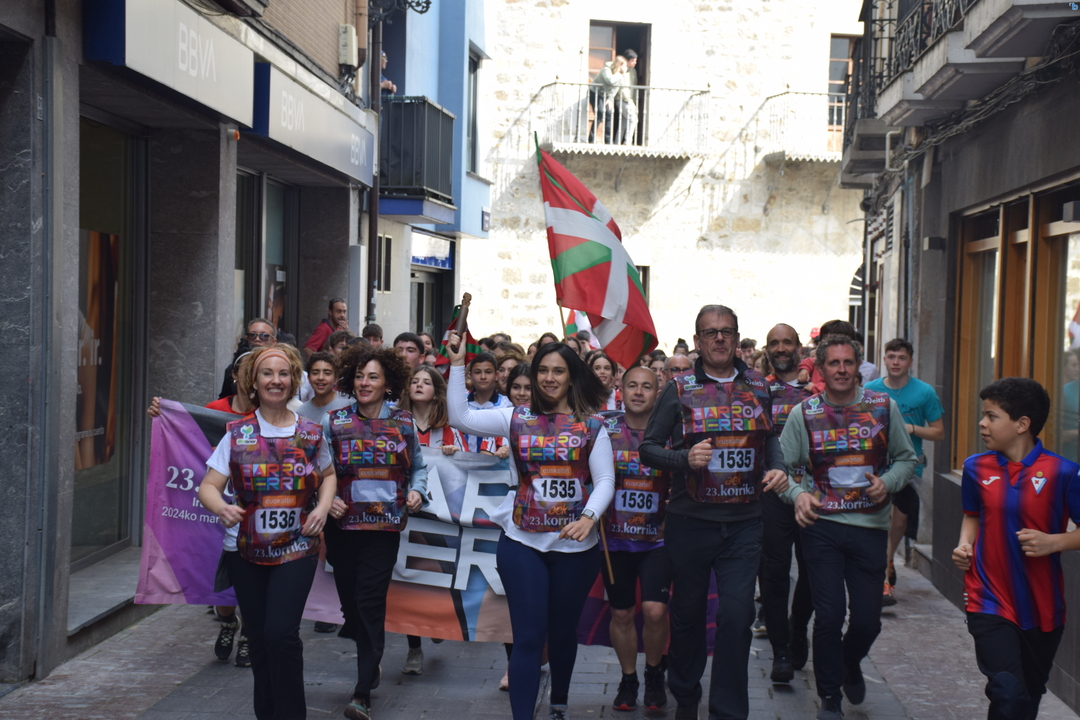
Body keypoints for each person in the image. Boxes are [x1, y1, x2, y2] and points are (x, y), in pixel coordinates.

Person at [447, 335, 615, 720]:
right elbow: (460, 417)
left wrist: (588, 517)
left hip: (575, 548)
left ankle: (559, 703)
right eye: (543, 370)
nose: (549, 378)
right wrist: (457, 366)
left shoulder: (592, 426)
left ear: (572, 377)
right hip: (522, 542)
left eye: (559, 371)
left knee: (562, 631)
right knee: (527, 636)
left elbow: (606, 480)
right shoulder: (515, 417)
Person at [639, 305, 789, 720]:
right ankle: (686, 695)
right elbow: (648, 448)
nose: (719, 339)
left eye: (726, 332)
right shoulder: (679, 388)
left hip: (744, 523)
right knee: (687, 614)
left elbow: (769, 437)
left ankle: (727, 711)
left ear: (737, 338)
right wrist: (684, 459)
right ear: (698, 340)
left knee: (737, 616)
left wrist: (778, 467)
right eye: (710, 333)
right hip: (691, 521)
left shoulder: (758, 385)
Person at [198, 344, 338, 720]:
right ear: (254, 381)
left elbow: (328, 476)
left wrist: (322, 508)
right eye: (267, 373)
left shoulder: (310, 433)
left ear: (292, 381)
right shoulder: (237, 434)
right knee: (259, 639)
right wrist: (221, 507)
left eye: (283, 373)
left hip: (297, 548)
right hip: (246, 551)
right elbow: (208, 486)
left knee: (281, 633)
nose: (275, 380)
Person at [779, 334, 916, 720]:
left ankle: (849, 661)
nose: (841, 370)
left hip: (869, 527)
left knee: (868, 621)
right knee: (829, 615)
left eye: (848, 363)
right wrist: (797, 495)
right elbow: (782, 469)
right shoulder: (804, 413)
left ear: (859, 367)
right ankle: (829, 699)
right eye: (833, 363)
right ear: (821, 370)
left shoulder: (882, 407)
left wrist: (887, 483)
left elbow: (907, 459)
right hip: (821, 526)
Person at [952, 378, 1080, 720]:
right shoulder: (975, 467)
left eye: (991, 416)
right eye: (983, 415)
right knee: (1007, 692)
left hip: (1043, 608)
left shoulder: (1064, 472)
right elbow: (973, 514)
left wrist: (1054, 542)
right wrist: (965, 544)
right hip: (987, 598)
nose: (982, 423)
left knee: (1025, 702)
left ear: (1022, 424)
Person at [321, 344, 429, 720]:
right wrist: (327, 499)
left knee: (369, 603)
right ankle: (369, 660)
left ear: (388, 383)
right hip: (342, 529)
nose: (364, 383)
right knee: (351, 607)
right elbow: (320, 470)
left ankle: (362, 692)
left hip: (383, 529)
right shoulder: (333, 422)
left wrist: (417, 491)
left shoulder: (403, 423)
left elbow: (418, 466)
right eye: (359, 376)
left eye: (373, 377)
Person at [602, 367, 672, 712]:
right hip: (614, 540)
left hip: (658, 539)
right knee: (622, 613)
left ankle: (654, 673)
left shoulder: (672, 431)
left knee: (655, 611)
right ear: (621, 388)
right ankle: (628, 679)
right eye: (632, 385)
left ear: (657, 393)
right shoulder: (603, 429)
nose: (639, 392)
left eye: (647, 386)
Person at [864, 338, 945, 607]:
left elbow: (939, 432)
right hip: (876, 466)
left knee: (898, 523)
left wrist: (910, 429)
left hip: (909, 466)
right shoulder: (870, 390)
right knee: (879, 521)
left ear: (910, 361)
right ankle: (883, 578)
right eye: (891, 357)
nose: (896, 362)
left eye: (901, 358)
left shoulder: (924, 392)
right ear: (884, 359)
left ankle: (886, 563)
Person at [396, 365, 463, 674]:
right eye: (414, 381)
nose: (419, 385)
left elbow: (465, 468)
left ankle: (436, 622)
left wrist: (455, 453)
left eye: (426, 382)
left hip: (438, 518)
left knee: (440, 575)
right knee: (407, 580)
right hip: (405, 514)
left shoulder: (450, 430)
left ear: (437, 392)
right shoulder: (396, 424)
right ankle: (414, 647)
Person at [758, 324, 815, 681]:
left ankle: (799, 626)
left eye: (787, 342)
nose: (781, 348)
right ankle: (780, 651)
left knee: (812, 572)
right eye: (774, 343)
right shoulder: (758, 391)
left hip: (813, 494)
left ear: (798, 348)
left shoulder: (818, 389)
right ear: (767, 349)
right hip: (773, 494)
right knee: (774, 573)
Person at [461, 352, 513, 453]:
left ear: (496, 375)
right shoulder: (462, 402)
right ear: (470, 376)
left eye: (488, 372)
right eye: (477, 372)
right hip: (462, 460)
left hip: (496, 460)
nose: (483, 377)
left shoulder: (506, 404)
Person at [221, 319, 277, 399]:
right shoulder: (235, 367)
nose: (257, 339)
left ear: (274, 342)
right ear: (246, 338)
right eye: (252, 335)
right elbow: (224, 397)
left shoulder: (282, 366)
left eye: (264, 336)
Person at [297, 352, 353, 422]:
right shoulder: (302, 412)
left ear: (335, 379)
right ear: (308, 378)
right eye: (315, 373)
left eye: (327, 373)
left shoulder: (349, 404)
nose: (320, 378)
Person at [589, 56, 626, 144]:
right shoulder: (606, 70)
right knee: (600, 113)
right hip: (595, 92)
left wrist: (610, 99)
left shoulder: (619, 76)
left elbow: (616, 88)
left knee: (609, 114)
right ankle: (591, 139)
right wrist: (619, 74)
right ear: (620, 65)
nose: (626, 68)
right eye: (624, 66)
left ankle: (608, 141)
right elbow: (610, 81)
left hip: (606, 95)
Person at [614, 49, 639, 145]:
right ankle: (627, 142)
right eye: (632, 60)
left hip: (630, 101)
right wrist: (630, 102)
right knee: (633, 118)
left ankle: (616, 142)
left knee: (624, 122)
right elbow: (622, 89)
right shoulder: (621, 71)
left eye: (635, 60)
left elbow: (634, 87)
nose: (635, 63)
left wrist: (634, 101)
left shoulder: (633, 71)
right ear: (627, 61)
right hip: (621, 99)